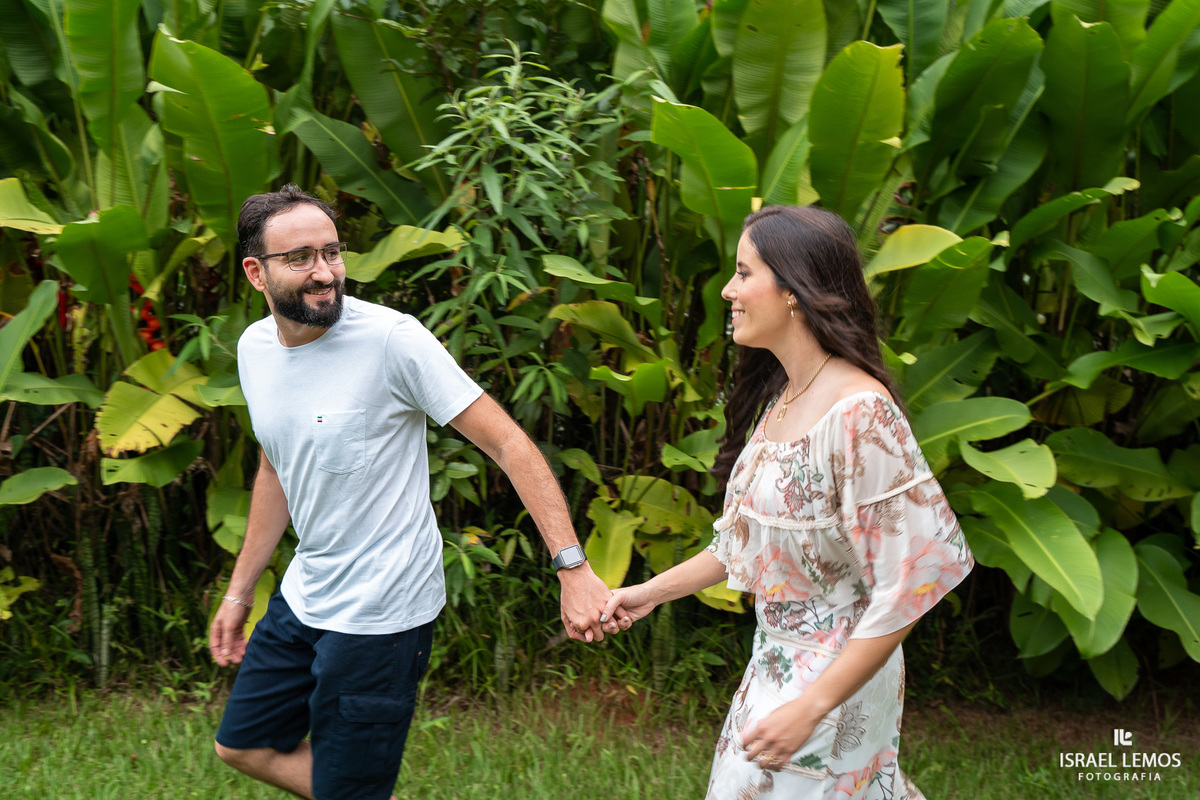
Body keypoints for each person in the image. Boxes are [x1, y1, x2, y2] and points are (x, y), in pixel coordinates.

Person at [208, 184, 628, 800]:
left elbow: (510, 444)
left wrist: (573, 566)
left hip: (383, 611)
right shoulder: (254, 349)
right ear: (256, 272)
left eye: (332, 252)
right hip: (306, 592)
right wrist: (240, 591)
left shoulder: (391, 340)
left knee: (349, 789)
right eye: (300, 258)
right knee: (240, 743)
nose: (324, 273)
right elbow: (276, 469)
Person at [602, 205, 973, 799]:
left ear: (794, 290)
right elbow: (743, 544)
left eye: (744, 274)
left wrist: (814, 705)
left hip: (836, 682)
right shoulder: (784, 400)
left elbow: (912, 582)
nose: (728, 290)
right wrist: (646, 595)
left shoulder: (860, 413)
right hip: (775, 665)